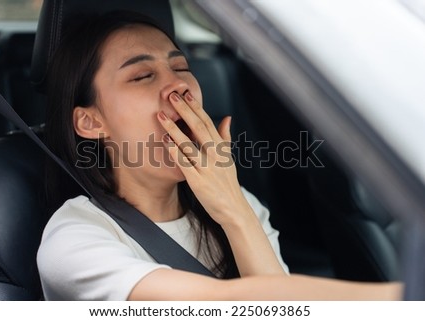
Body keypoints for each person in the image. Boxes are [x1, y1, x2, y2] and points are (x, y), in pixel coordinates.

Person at [37, 11, 402, 300]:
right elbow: (237, 305)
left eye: (181, 68)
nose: (180, 84)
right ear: (89, 121)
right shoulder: (75, 241)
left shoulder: (240, 205)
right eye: (143, 75)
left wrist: (234, 208)